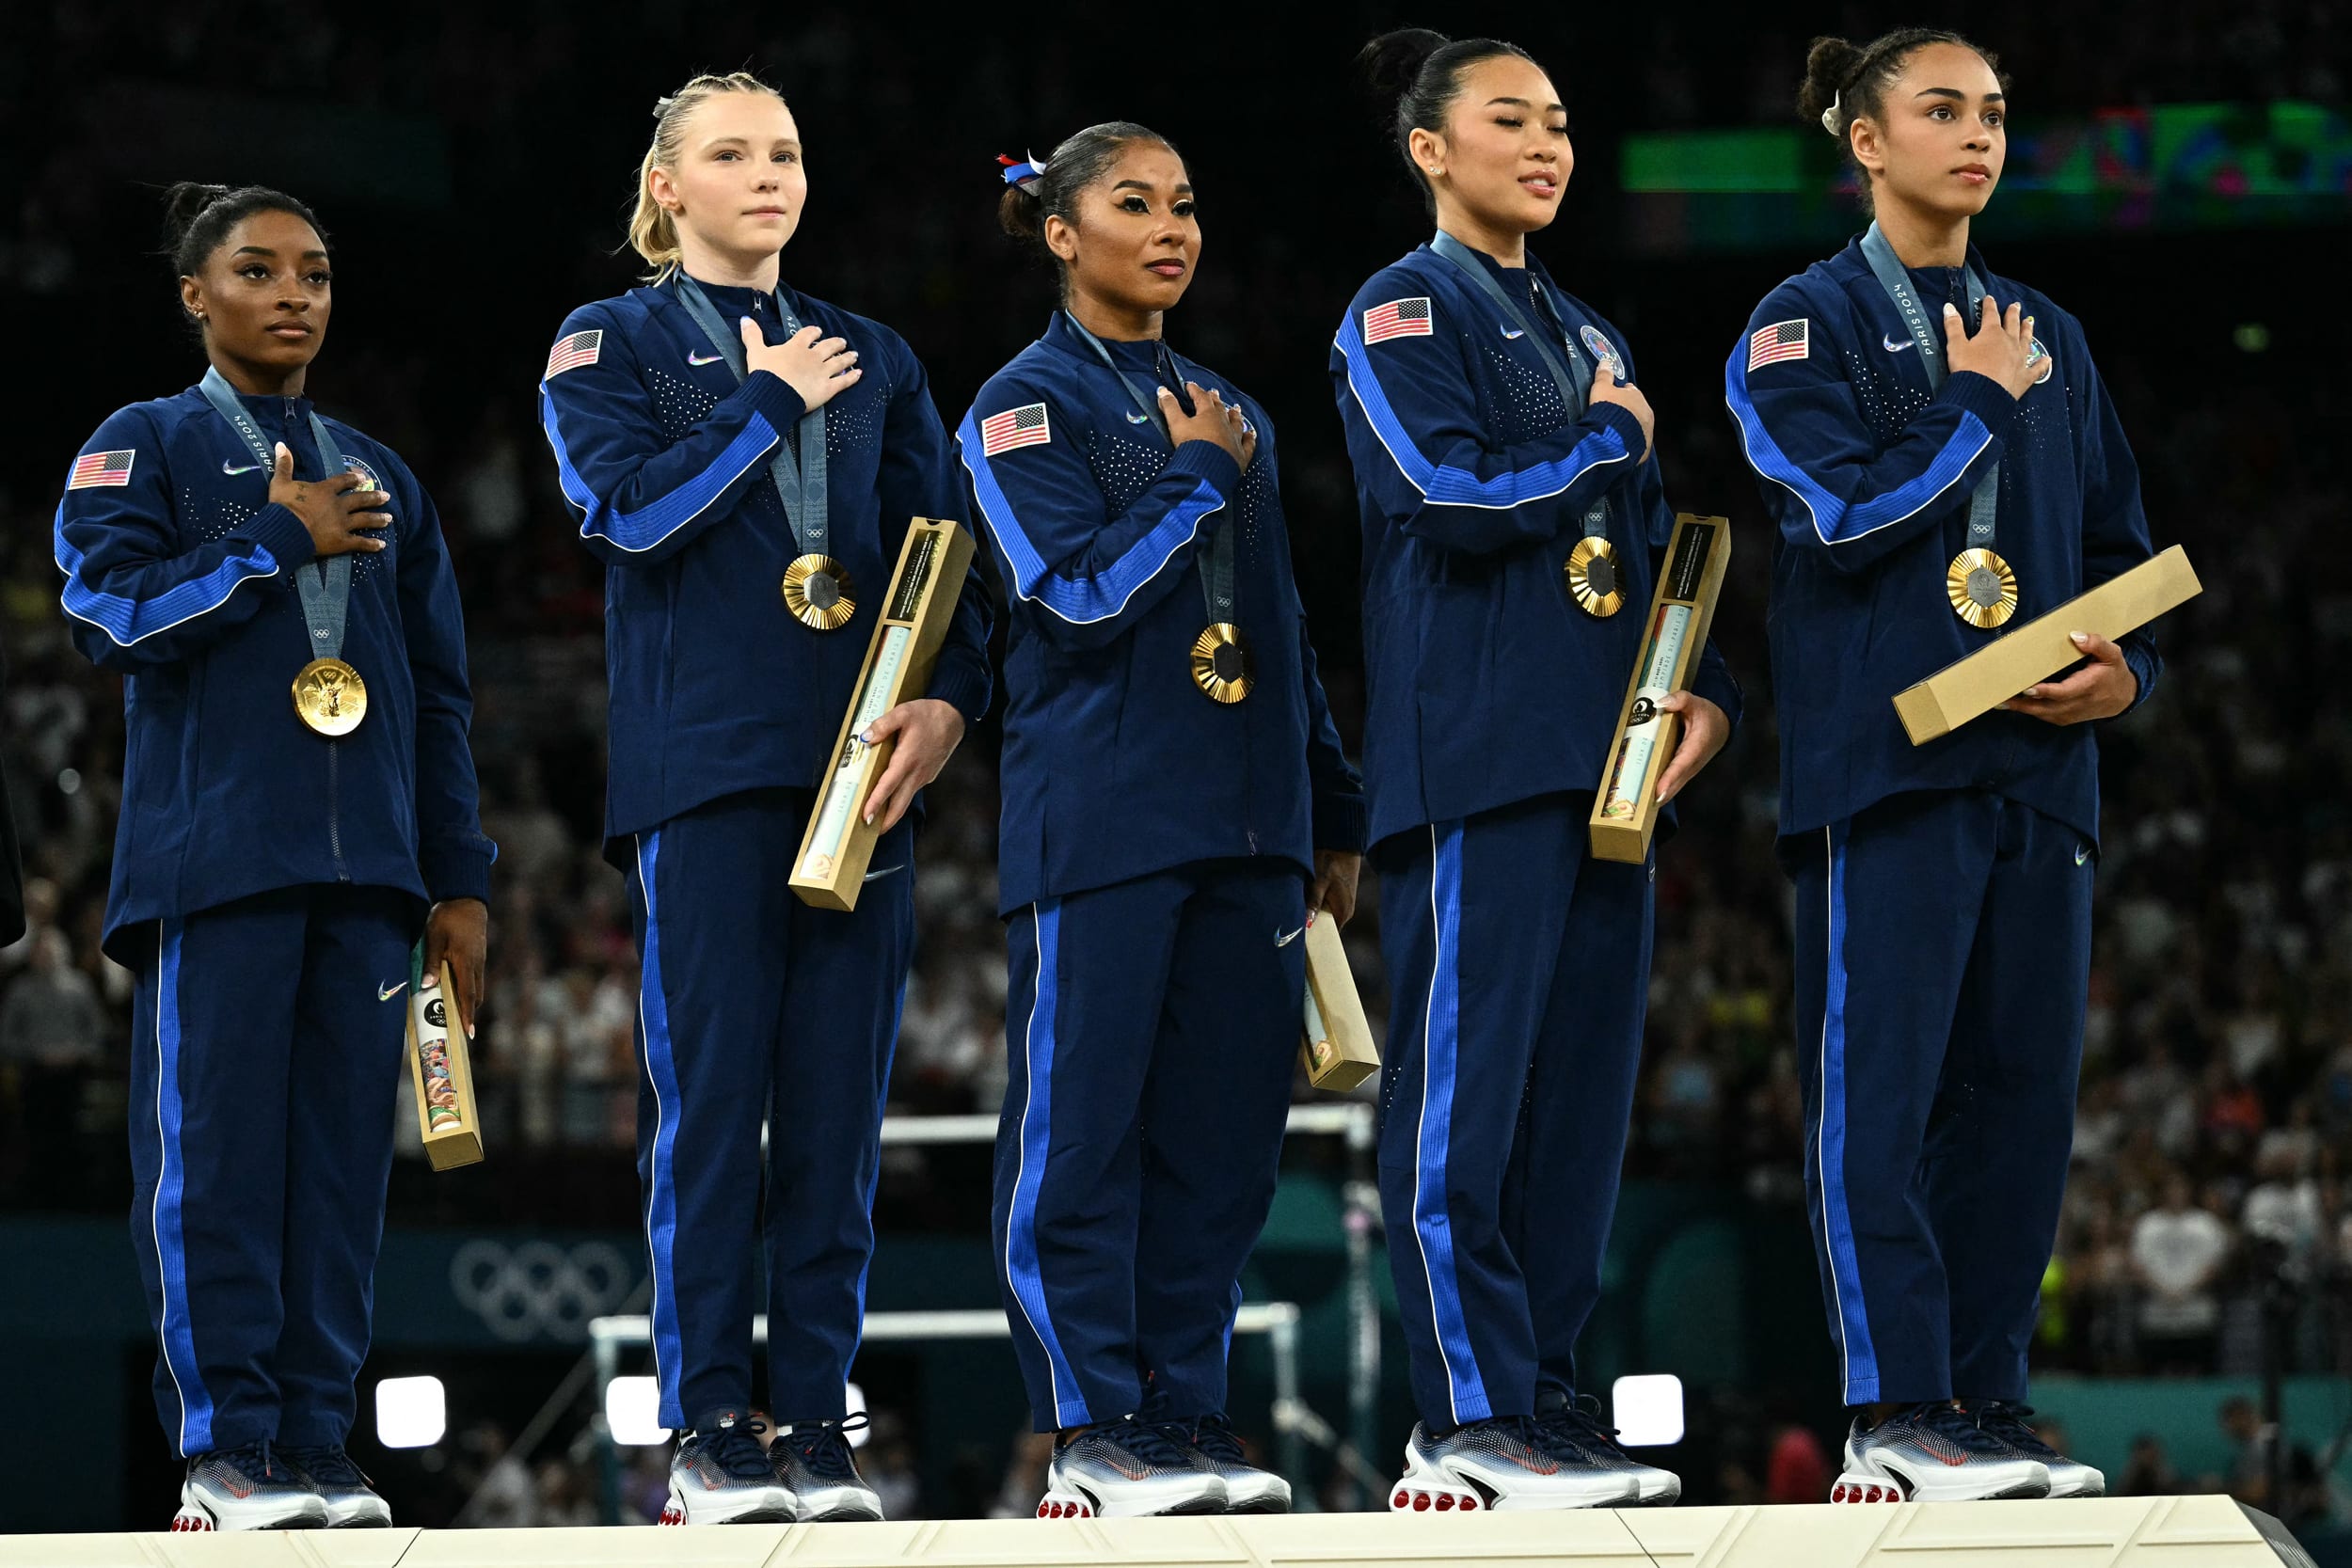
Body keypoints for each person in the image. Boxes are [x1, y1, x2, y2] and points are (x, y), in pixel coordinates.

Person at [535, 72, 992, 1526]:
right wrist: (755, 405)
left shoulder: (874, 352)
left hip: (862, 767)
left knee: (840, 1117)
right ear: (667, 187)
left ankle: (815, 1421)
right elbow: (624, 515)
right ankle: (709, 1431)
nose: (768, 175)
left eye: (786, 151)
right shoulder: (607, 337)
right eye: (731, 154)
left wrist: (950, 695)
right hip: (710, 767)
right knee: (716, 1108)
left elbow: (946, 552)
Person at [1725, 27, 2165, 1502]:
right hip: (1886, 773)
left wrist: (2127, 674)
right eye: (1939, 110)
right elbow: (1837, 518)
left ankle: (1985, 1398)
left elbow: (2116, 553)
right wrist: (1970, 398)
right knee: (1886, 1100)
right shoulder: (1796, 329)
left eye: (1990, 112)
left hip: (2043, 781)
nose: (1975, 136)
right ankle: (1892, 1405)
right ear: (1865, 141)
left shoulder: (2051, 328)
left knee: (2023, 1102)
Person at [1330, 28, 1740, 1512]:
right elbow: (1444, 494)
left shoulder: (1588, 330)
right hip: (1478, 760)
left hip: (1607, 771)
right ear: (1431, 148)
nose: (1548, 144)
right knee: (1465, 1098)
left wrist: (1704, 700)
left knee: (1576, 1108)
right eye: (1511, 120)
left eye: (1561, 120)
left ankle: (1549, 1397)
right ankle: (1465, 1410)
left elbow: (1631, 565)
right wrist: (1595, 436)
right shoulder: (1398, 311)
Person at [55, 182, 493, 1529]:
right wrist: (267, 542)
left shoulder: (386, 475)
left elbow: (437, 697)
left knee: (340, 1170)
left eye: (314, 271)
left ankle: (311, 1440)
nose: (295, 293)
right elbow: (106, 614)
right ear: (198, 295)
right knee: (218, 1163)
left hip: (370, 877)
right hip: (217, 863)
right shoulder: (143, 445)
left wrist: (460, 879)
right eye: (259, 271)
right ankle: (224, 1448)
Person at [959, 122, 1367, 1517]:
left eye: (1186, 204)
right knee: (1081, 1140)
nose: (1172, 228)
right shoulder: (1018, 409)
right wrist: (1190, 479)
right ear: (1064, 235)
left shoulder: (1231, 408)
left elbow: (1285, 627)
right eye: (1134, 204)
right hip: (1107, 823)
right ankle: (1089, 1427)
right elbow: (1069, 596)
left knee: (1222, 1145)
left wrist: (1334, 805)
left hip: (1253, 825)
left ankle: (1183, 1415)